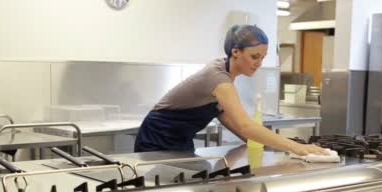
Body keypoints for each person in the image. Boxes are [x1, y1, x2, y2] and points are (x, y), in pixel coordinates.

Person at [134, 25, 328, 156]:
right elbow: (245, 126)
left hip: (179, 141)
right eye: (254, 57)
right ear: (235, 52)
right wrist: (298, 148)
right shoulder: (219, 79)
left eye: (262, 57)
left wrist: (265, 146)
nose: (259, 64)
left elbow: (229, 120)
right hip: (157, 140)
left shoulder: (225, 71)